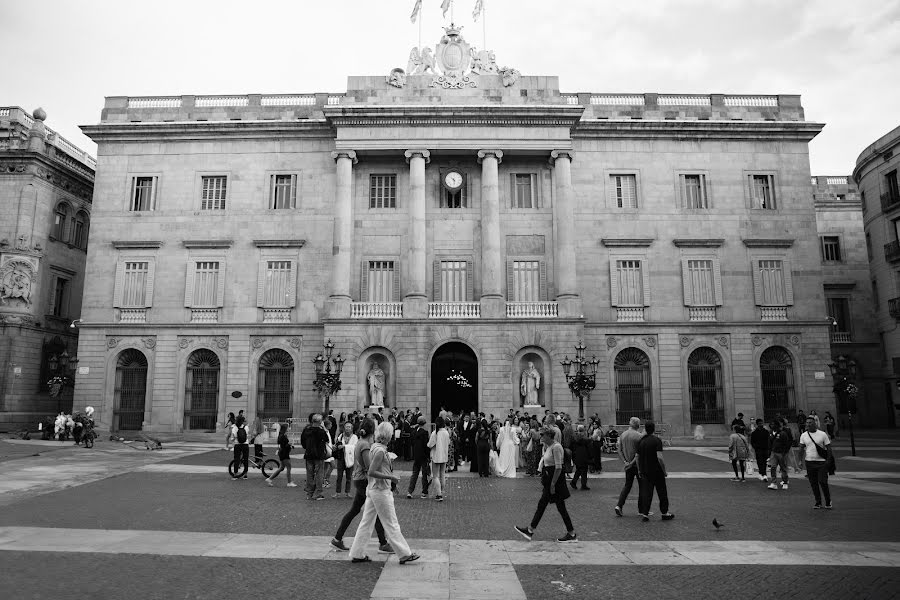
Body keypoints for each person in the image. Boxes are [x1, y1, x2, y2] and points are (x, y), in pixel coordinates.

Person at [348, 422, 420, 565]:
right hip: (380, 490)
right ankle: (404, 553)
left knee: (366, 522)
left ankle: (357, 553)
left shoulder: (375, 447)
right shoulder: (380, 450)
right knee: (391, 523)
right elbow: (372, 471)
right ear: (388, 435)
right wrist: (391, 478)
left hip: (374, 489)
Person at [331, 419, 392, 554]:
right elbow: (369, 467)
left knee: (355, 511)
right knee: (375, 511)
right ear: (372, 430)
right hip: (364, 481)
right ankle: (383, 543)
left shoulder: (361, 442)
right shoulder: (365, 445)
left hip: (359, 479)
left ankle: (337, 538)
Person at [515, 427, 577, 542]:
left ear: (549, 436)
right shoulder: (548, 447)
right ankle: (531, 530)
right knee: (547, 506)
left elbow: (558, 467)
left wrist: (553, 484)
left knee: (554, 507)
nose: (541, 436)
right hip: (550, 480)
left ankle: (571, 534)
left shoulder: (556, 447)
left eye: (543, 435)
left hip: (555, 481)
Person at [636, 421, 674, 522]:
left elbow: (637, 457)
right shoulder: (657, 440)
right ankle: (664, 513)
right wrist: (664, 470)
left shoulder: (641, 441)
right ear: (653, 429)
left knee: (647, 493)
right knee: (662, 492)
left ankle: (645, 514)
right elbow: (660, 458)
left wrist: (639, 469)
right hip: (657, 471)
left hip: (645, 470)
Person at [799, 416, 833, 509]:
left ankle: (828, 501)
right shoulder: (803, 435)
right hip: (809, 462)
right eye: (807, 423)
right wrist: (800, 461)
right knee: (813, 483)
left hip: (821, 462)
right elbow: (801, 449)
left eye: (810, 423)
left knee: (823, 482)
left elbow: (829, 448)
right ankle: (818, 502)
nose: (808, 424)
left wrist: (828, 461)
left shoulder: (822, 434)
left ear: (815, 424)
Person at [614, 417, 643, 517]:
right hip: (638, 465)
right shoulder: (639, 436)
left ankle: (619, 505)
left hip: (627, 465)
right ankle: (641, 510)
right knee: (642, 486)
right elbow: (639, 454)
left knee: (627, 486)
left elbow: (619, 450)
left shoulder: (623, 434)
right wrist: (631, 462)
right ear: (638, 425)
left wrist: (625, 462)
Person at [300, 413, 328, 500]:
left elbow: (303, 442)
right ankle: (318, 493)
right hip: (318, 455)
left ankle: (309, 493)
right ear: (320, 422)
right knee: (319, 474)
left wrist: (307, 447)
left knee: (309, 475)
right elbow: (327, 439)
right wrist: (324, 428)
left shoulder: (306, 430)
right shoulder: (321, 431)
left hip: (309, 454)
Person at [407, 416, 431, 499]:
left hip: (416, 456)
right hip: (423, 456)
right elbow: (426, 446)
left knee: (415, 474)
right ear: (424, 423)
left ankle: (410, 491)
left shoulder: (413, 432)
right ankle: (424, 492)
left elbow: (412, 443)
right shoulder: (425, 433)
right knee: (424, 474)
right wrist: (428, 456)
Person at [428, 416, 451, 501]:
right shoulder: (446, 433)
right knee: (442, 475)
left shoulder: (435, 433)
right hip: (444, 455)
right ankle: (441, 491)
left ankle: (439, 494)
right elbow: (448, 443)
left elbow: (430, 444)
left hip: (436, 456)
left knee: (435, 476)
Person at [333, 422, 357, 498]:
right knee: (339, 476)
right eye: (346, 426)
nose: (347, 428)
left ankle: (348, 492)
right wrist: (336, 446)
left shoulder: (354, 437)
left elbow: (355, 446)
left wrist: (344, 446)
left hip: (350, 458)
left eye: (349, 427)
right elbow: (337, 443)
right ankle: (338, 492)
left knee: (349, 476)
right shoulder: (341, 436)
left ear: (352, 428)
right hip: (341, 458)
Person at [767, 420, 791, 491]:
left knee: (783, 468)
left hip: (781, 453)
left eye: (773, 424)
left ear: (776, 425)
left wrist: (784, 453)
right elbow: (770, 443)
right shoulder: (770, 432)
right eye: (771, 424)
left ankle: (785, 482)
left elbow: (786, 443)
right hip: (773, 453)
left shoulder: (782, 433)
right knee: (773, 467)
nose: (771, 425)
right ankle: (773, 483)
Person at [571, 425, 591, 490]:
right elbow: (587, 442)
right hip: (583, 456)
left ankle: (574, 482)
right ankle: (583, 484)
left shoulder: (576, 437)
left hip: (577, 456)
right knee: (584, 470)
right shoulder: (583, 438)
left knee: (579, 470)